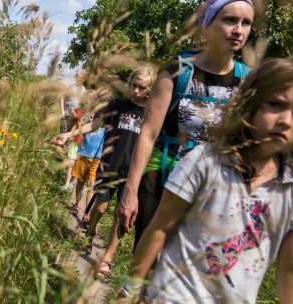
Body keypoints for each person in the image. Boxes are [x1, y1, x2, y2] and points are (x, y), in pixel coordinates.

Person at [118, 58, 293, 303]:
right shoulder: (206, 161)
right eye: (275, 104)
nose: (286, 120)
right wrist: (130, 289)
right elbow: (159, 228)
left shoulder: (288, 189)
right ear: (249, 104)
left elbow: (288, 270)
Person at [119, 0, 254, 249]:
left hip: (210, 187)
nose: (238, 30)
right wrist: (130, 192)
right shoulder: (176, 71)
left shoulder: (247, 79)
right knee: (146, 264)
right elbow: (147, 133)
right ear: (207, 23)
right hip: (161, 177)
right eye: (229, 20)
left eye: (246, 23)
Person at [52, 67, 156, 263]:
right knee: (99, 209)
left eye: (141, 88)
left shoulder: (152, 113)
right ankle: (90, 232)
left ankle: (106, 258)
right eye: (133, 86)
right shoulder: (118, 105)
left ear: (149, 89)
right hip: (109, 166)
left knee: (121, 215)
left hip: (132, 173)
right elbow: (95, 124)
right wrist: (69, 134)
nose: (135, 91)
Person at [66, 90, 105, 217]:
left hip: (96, 157)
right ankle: (76, 205)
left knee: (91, 185)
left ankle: (86, 214)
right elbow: (81, 129)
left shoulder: (106, 118)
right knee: (80, 182)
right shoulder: (86, 116)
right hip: (83, 153)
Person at [60, 70, 87, 191]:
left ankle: (68, 166)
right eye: (77, 76)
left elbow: (84, 104)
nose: (79, 79)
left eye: (81, 77)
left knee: (72, 143)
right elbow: (62, 98)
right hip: (67, 116)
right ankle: (65, 163)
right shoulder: (70, 87)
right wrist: (62, 111)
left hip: (77, 119)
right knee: (64, 139)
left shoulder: (83, 90)